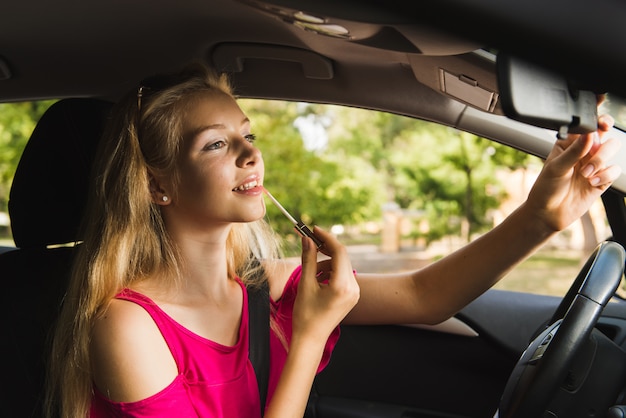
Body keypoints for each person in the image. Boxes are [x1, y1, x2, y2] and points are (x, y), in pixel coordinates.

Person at [44, 62, 621, 418]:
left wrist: (541, 217)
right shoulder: (126, 326)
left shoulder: (257, 285)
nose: (251, 153)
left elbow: (425, 296)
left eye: (247, 134)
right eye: (215, 145)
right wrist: (311, 334)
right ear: (159, 186)